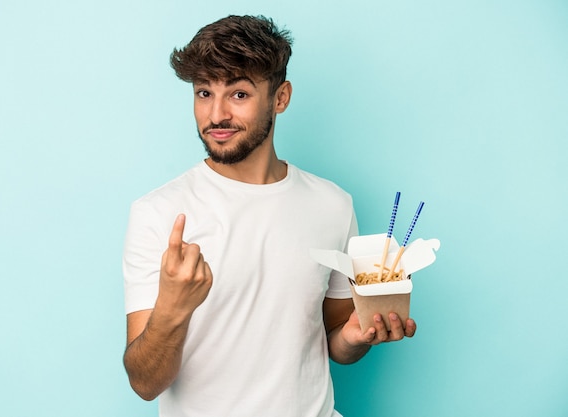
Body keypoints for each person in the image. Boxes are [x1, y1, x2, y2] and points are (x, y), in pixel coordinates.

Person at [122, 14, 416, 417]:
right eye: (204, 92)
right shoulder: (158, 213)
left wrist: (357, 336)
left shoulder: (333, 204)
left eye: (238, 94)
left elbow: (336, 340)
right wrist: (173, 309)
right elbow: (144, 382)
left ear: (280, 98)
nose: (216, 115)